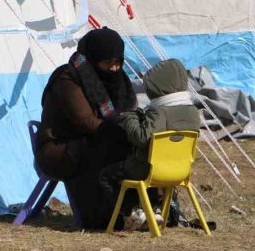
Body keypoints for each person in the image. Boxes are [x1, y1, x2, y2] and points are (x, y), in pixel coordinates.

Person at [36, 27, 137, 229]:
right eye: (107, 63)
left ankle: (138, 209)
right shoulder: (68, 79)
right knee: (109, 148)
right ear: (92, 59)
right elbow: (86, 122)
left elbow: (128, 111)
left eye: (118, 62)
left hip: (94, 141)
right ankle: (104, 216)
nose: (114, 69)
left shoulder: (120, 82)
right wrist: (122, 131)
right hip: (59, 150)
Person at [100, 59, 201, 231]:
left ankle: (131, 214)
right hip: (181, 170)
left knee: (107, 175)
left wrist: (130, 117)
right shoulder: (193, 112)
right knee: (149, 165)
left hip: (152, 170)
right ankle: (155, 210)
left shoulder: (160, 112)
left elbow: (141, 137)